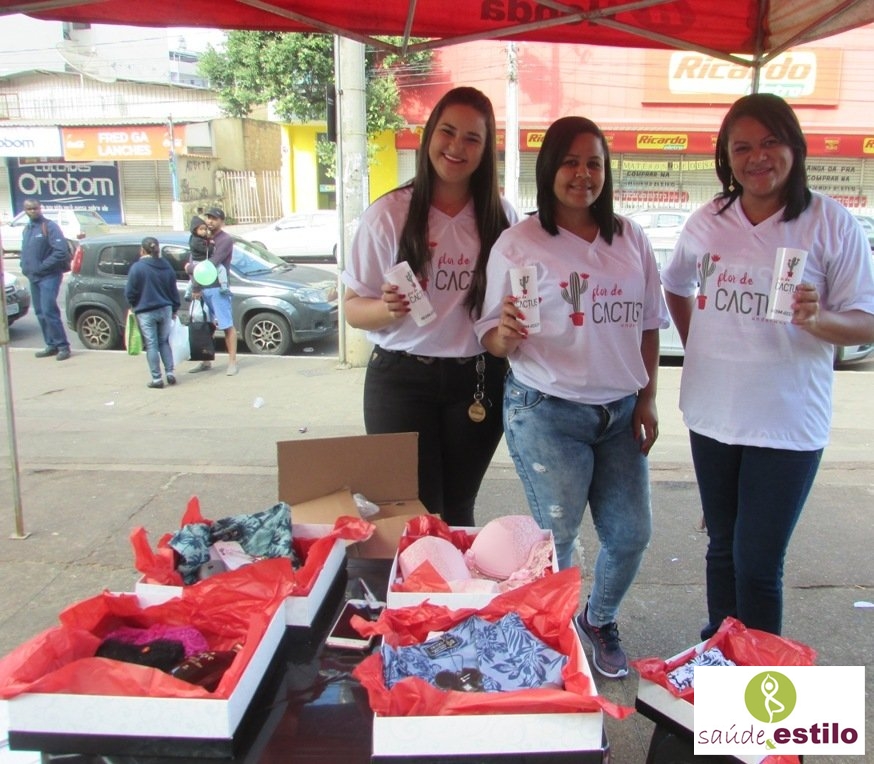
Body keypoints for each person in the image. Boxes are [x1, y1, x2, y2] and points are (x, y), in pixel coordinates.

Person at [660, 93, 874, 639]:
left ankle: (756, 678)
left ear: (795, 147)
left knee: (756, 561)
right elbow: (675, 283)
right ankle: (720, 651)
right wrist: (696, 341)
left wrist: (820, 319)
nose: (757, 157)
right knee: (721, 548)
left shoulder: (830, 223)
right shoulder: (708, 220)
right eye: (742, 147)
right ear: (726, 158)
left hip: (787, 423)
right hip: (712, 414)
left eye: (770, 142)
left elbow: (867, 321)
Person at [476, 116, 669, 679]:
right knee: (558, 537)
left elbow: (650, 325)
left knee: (631, 534)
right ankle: (553, 633)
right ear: (549, 170)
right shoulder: (519, 243)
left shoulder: (630, 238)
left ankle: (597, 619)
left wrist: (648, 399)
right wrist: (504, 334)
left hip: (620, 412)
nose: (583, 174)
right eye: (570, 162)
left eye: (594, 164)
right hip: (547, 410)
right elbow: (489, 335)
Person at [342, 86, 517, 527]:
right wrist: (387, 308)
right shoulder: (387, 215)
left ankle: (450, 577)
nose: (457, 147)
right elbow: (352, 308)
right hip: (400, 380)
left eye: (473, 138)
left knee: (457, 511)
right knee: (412, 517)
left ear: (486, 149)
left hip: (478, 381)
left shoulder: (502, 218)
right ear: (429, 135)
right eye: (448, 132)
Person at [18, 198, 72, 361]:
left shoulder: (49, 226)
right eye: (29, 209)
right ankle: (51, 344)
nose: (32, 211)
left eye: (35, 208)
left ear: (40, 208)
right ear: (25, 211)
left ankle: (63, 346)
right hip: (33, 277)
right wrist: (24, 266)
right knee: (40, 312)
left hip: (49, 276)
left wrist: (42, 267)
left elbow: (60, 251)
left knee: (49, 311)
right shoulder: (27, 229)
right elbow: (25, 251)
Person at [125, 236, 181, 389]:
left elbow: (130, 292)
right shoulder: (166, 265)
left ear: (142, 250)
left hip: (145, 311)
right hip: (165, 309)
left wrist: (133, 304)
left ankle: (157, 379)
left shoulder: (137, 268)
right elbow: (173, 289)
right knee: (164, 341)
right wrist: (175, 308)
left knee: (151, 345)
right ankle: (170, 372)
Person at [188, 207, 238, 376]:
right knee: (205, 326)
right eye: (208, 218)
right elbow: (193, 259)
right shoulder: (200, 237)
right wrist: (195, 284)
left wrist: (190, 268)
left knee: (226, 325)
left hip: (218, 288)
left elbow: (212, 263)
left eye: (214, 218)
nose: (210, 221)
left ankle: (232, 362)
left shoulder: (225, 240)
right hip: (202, 288)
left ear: (222, 221)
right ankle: (205, 360)